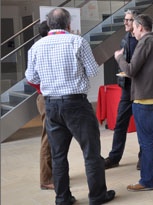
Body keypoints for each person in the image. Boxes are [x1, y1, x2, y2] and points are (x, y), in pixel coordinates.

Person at [25, 8, 115, 204]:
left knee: (58, 156)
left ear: (49, 25)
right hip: (76, 105)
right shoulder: (77, 41)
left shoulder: (36, 47)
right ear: (69, 24)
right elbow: (91, 71)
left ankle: (63, 198)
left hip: (51, 106)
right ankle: (97, 196)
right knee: (91, 153)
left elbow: (31, 77)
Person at [114, 14, 153, 191]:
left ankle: (148, 181)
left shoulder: (145, 43)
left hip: (144, 99)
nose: (132, 31)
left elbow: (131, 70)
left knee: (146, 140)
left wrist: (119, 58)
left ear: (140, 27)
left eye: (133, 27)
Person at [104, 9, 142, 170]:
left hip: (141, 88)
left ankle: (144, 156)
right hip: (127, 88)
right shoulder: (125, 39)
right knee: (120, 124)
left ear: (137, 22)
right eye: (124, 19)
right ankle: (114, 157)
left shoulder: (144, 41)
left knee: (142, 125)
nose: (125, 23)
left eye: (128, 20)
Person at [26, 20, 54, 191]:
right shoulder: (40, 48)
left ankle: (53, 174)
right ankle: (46, 179)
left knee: (54, 137)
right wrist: (43, 88)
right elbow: (31, 78)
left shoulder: (36, 48)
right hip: (46, 97)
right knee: (48, 139)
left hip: (45, 96)